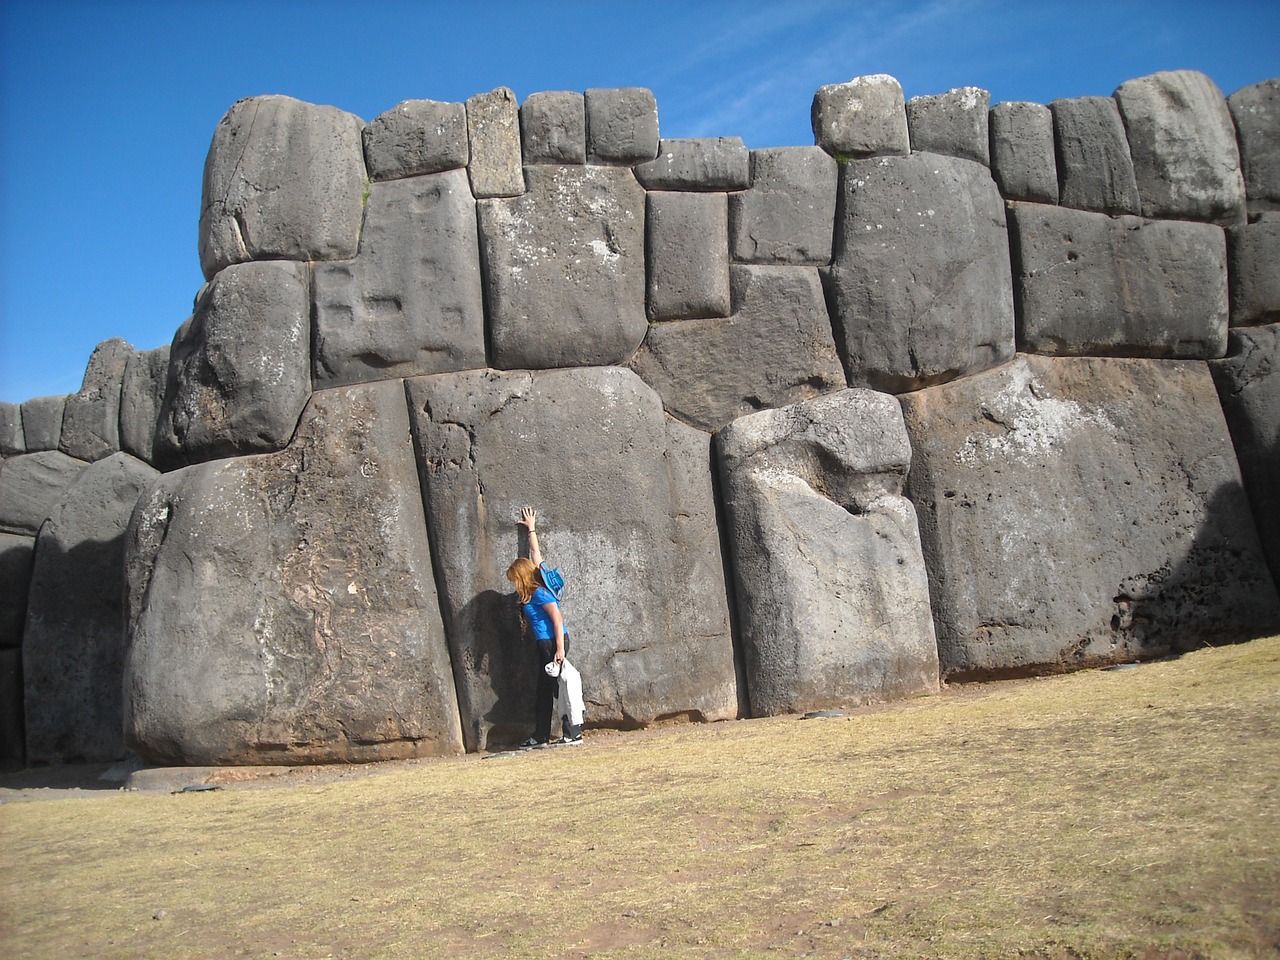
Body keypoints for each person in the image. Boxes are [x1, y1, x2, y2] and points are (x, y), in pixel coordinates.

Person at [505, 507, 581, 747]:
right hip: (546, 643)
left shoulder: (538, 593)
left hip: (551, 642)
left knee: (558, 687)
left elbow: (557, 619)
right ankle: (546, 735)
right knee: (548, 688)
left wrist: (558, 650)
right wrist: (531, 528)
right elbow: (535, 553)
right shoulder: (540, 576)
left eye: (515, 580)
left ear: (522, 578)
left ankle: (570, 733)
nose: (515, 585)